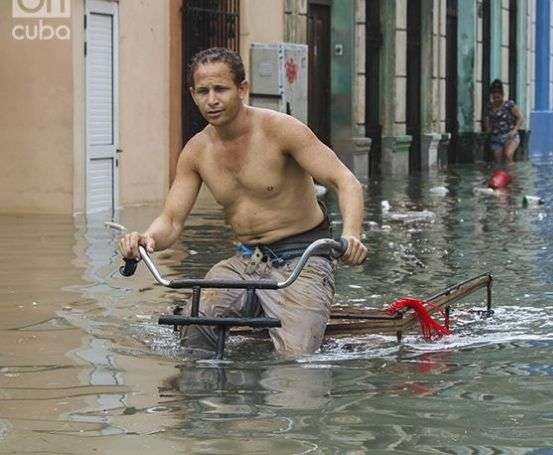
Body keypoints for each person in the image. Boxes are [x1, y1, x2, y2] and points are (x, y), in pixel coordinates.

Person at [118, 47, 368, 357]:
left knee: (296, 359)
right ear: (193, 95)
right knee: (196, 327)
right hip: (246, 261)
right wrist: (146, 240)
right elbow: (171, 221)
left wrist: (352, 235)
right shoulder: (196, 151)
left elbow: (346, 181)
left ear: (242, 89)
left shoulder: (282, 130)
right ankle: (204, 400)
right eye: (203, 91)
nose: (212, 99)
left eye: (221, 89)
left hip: (304, 260)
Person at [483, 79, 525, 164]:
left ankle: (513, 175)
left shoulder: (509, 105)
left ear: (502, 95)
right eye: (494, 98)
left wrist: (514, 130)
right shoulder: (489, 107)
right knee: (498, 161)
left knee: (508, 156)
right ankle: (502, 175)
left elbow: (520, 118)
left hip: (510, 136)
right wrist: (488, 131)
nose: (496, 100)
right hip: (496, 137)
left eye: (498, 97)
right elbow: (487, 122)